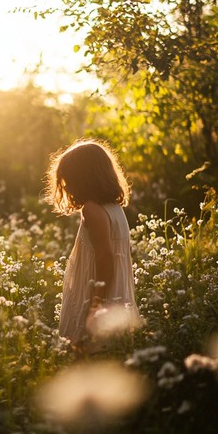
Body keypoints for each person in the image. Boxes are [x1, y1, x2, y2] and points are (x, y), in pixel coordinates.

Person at [45, 138, 139, 345]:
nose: (67, 185)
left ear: (83, 178)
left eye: (69, 179)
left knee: (85, 347)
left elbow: (105, 256)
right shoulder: (114, 208)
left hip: (96, 292)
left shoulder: (92, 209)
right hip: (113, 290)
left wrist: (96, 304)